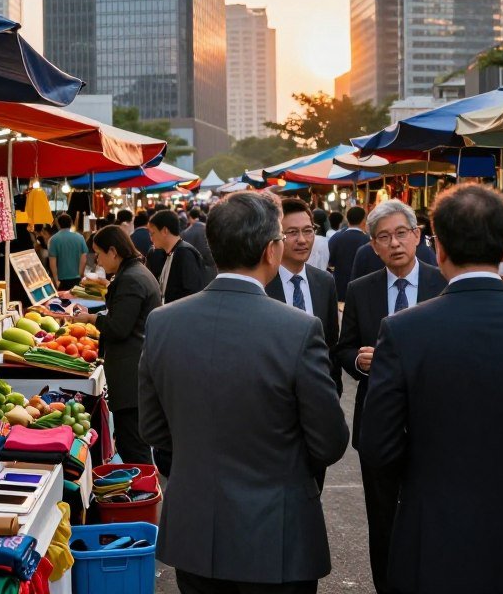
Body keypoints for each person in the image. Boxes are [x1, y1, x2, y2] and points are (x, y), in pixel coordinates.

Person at [360, 185, 503, 594]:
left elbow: (378, 445)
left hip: (435, 532)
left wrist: (428, 473)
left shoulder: (403, 331)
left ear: (439, 248)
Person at [139, 192, 349, 593]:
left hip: (197, 531)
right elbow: (330, 441)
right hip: (278, 533)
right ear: (272, 250)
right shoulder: (299, 329)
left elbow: (154, 428)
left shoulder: (164, 323)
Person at [334, 199, 446, 593]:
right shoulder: (360, 290)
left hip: (435, 424)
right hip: (380, 424)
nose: (395, 243)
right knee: (382, 520)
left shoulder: (442, 284)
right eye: (384, 237)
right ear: (374, 247)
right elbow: (344, 349)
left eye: (402, 233)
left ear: (417, 236)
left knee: (433, 515)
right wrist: (361, 363)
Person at [64, 226, 161, 464]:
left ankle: (143, 494)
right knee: (132, 440)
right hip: (135, 367)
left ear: (113, 251)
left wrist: (91, 319)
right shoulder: (134, 273)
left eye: (99, 253)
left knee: (132, 443)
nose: (96, 259)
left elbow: (119, 327)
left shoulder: (131, 279)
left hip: (131, 371)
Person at [266, 198, 342, 400]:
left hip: (319, 396)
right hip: (275, 399)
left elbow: (331, 344)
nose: (302, 240)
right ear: (275, 237)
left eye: (308, 231)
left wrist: (334, 391)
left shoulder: (324, 282)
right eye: (292, 233)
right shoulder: (262, 284)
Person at [148, 209, 207, 303]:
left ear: (164, 231)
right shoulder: (165, 253)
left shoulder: (185, 254)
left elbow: (192, 293)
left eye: (152, 233)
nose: (151, 238)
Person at [327, 205, 369, 300]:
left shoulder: (335, 238)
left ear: (347, 218)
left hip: (339, 287)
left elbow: (330, 262)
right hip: (362, 289)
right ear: (363, 220)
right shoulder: (368, 241)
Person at [47, 213, 88, 290]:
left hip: (61, 280)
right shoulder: (80, 238)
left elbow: (52, 262)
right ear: (71, 223)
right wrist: (80, 274)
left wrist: (56, 280)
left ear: (58, 224)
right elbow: (84, 258)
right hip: (77, 278)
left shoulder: (54, 239)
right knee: (76, 301)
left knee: (63, 301)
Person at [181, 207, 216, 280]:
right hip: (211, 267)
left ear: (190, 217)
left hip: (194, 269)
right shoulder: (208, 227)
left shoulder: (185, 233)